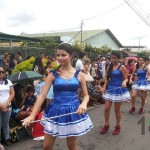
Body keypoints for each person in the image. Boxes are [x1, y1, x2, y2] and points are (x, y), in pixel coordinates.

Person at [22, 43, 93, 150]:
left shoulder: (80, 75)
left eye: (63, 55)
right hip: (55, 111)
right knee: (47, 146)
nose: (59, 58)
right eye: (58, 55)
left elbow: (86, 95)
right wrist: (32, 115)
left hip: (72, 111)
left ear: (71, 55)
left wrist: (83, 103)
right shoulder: (53, 74)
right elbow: (42, 95)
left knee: (71, 145)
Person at [100, 51, 131, 135]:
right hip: (110, 89)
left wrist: (124, 82)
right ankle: (106, 125)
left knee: (116, 110)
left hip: (118, 90)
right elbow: (107, 79)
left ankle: (118, 126)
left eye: (115, 58)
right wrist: (104, 87)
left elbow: (126, 78)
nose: (113, 59)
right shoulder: (108, 67)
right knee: (106, 109)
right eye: (112, 58)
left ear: (119, 58)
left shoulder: (122, 67)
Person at [0, 66, 15, 146]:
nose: (1, 73)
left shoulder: (8, 81)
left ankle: (7, 139)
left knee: (5, 124)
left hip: (7, 106)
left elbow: (12, 93)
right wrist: (1, 106)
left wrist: (6, 104)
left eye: (2, 71)